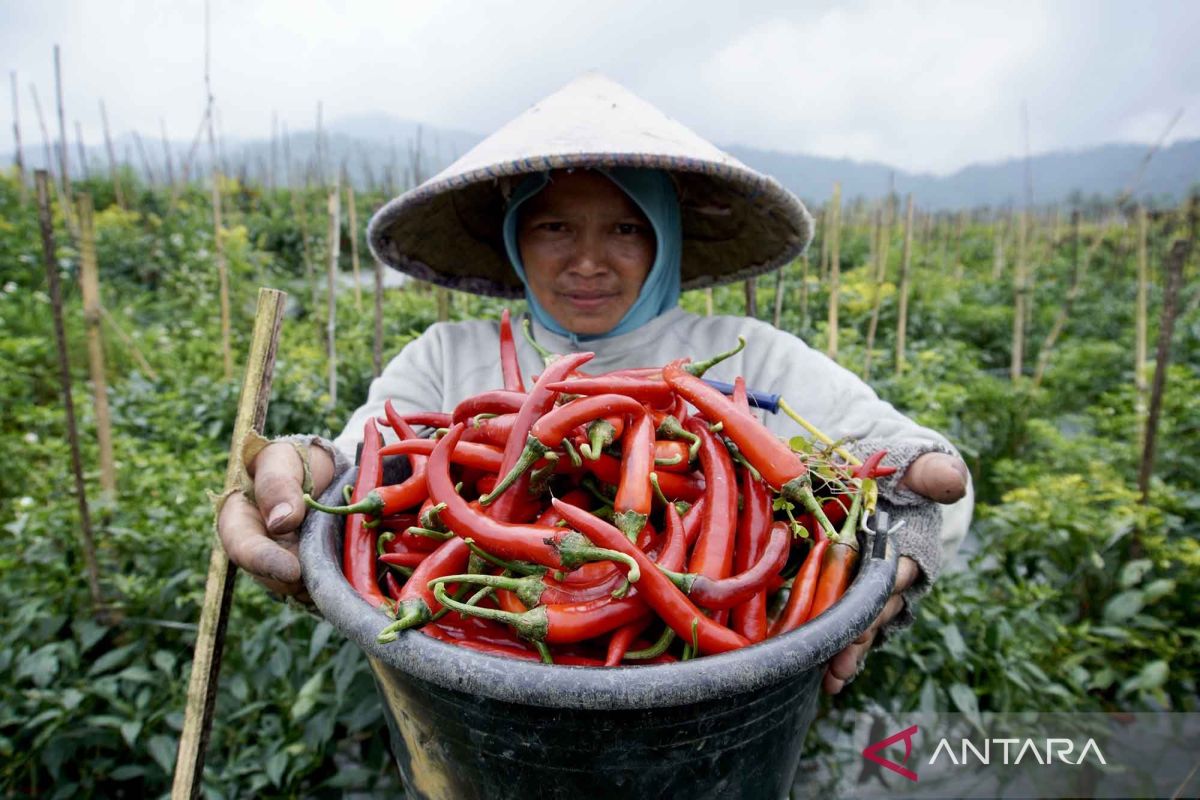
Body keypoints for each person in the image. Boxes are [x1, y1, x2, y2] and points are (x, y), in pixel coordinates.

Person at [218, 73, 972, 694]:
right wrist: (307, 471)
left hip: (711, 713)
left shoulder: (751, 358)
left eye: (625, 227)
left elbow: (915, 471)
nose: (587, 261)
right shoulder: (446, 358)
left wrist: (904, 541)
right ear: (516, 238)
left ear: (664, 239)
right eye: (553, 228)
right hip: (472, 699)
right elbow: (363, 466)